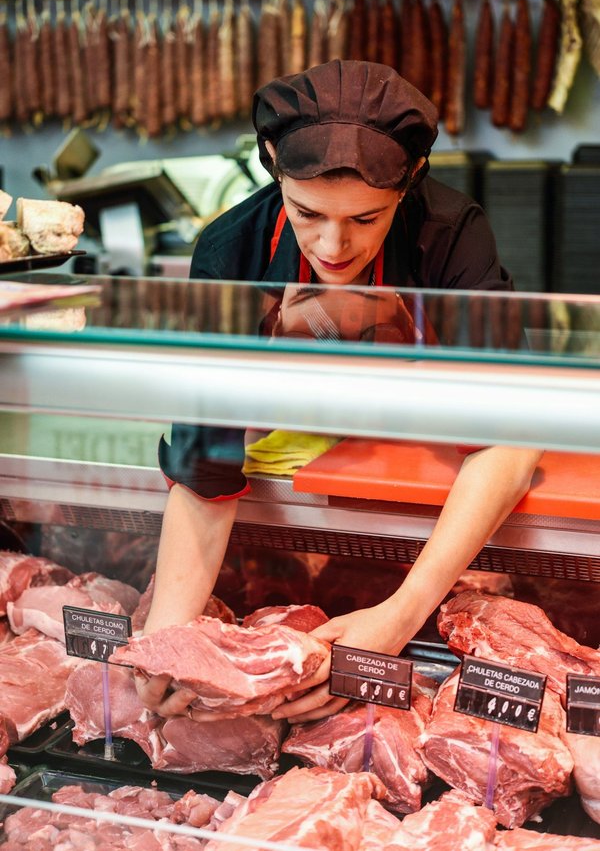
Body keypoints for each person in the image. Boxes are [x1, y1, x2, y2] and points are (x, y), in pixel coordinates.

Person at [137, 60, 543, 723]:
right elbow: (205, 465)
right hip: (311, 508)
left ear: (411, 177)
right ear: (271, 160)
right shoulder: (230, 252)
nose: (333, 244)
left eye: (365, 218)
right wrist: (167, 641)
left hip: (434, 507)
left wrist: (395, 620)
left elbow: (508, 433)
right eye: (307, 213)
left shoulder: (451, 234)